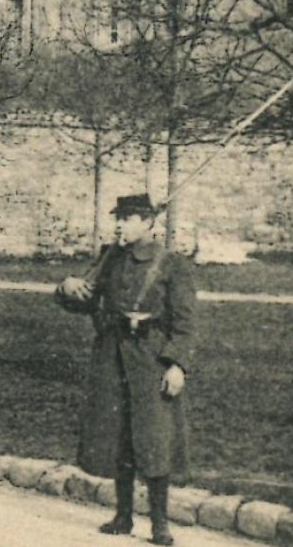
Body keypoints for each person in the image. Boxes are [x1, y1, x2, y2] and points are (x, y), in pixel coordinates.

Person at [55, 193, 197, 547]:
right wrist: (65, 287)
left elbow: (185, 323)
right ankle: (123, 516)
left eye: (129, 217)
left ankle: (160, 525)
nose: (120, 223)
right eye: (118, 217)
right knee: (119, 434)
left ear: (148, 222)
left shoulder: (172, 264)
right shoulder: (110, 259)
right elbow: (84, 299)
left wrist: (176, 364)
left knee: (154, 437)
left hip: (151, 358)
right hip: (111, 355)